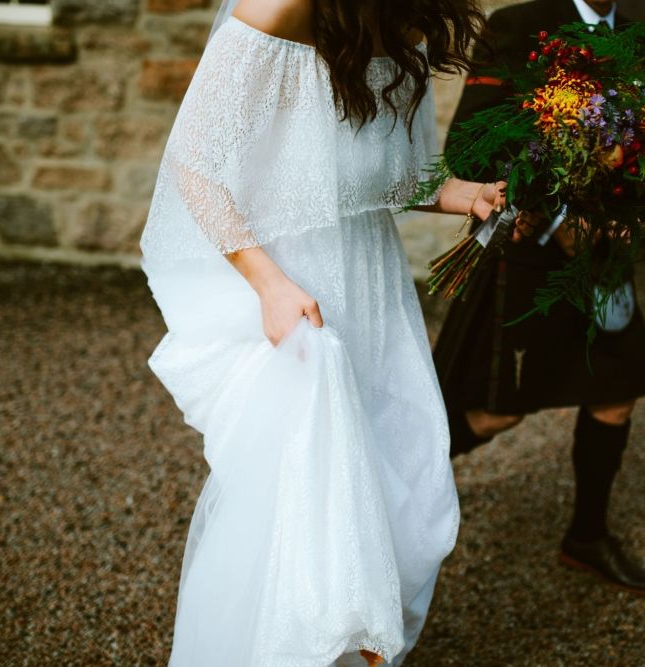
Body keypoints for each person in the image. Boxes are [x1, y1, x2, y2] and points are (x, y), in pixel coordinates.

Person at [140, 0, 536, 664]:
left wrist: (461, 193)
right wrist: (269, 284)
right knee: (308, 493)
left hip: (372, 289)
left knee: (396, 475)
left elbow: (384, 178)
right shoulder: (281, 8)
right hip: (294, 288)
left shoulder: (401, 19)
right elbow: (195, 164)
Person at [435, 0, 645, 593]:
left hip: (606, 254)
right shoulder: (518, 26)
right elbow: (471, 150)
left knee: (616, 391)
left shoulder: (637, 30)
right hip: (528, 255)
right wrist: (557, 215)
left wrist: (624, 209)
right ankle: (384, 494)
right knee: (495, 411)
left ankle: (586, 537)